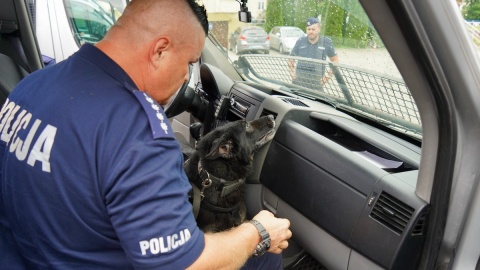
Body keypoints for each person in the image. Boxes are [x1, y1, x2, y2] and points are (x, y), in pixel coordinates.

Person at [0, 0, 291, 269]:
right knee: (265, 259)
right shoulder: (138, 132)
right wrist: (258, 233)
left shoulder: (32, 86)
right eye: (189, 63)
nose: (186, 77)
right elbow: (184, 265)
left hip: (28, 255)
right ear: (160, 50)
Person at [288, 17, 339, 90]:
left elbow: (335, 61)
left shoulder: (326, 42)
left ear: (319, 29)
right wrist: (292, 73)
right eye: (308, 29)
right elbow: (291, 58)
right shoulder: (301, 41)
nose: (310, 31)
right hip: (298, 83)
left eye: (313, 29)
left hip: (316, 84)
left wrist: (327, 77)